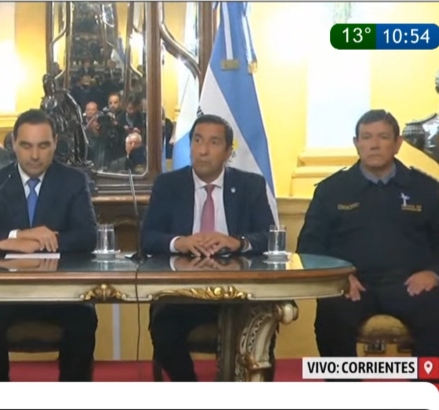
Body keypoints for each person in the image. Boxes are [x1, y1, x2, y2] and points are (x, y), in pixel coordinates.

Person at [0, 108, 98, 381]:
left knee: (83, 320)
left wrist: (40, 242)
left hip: (61, 294)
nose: (34, 155)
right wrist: (16, 237)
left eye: (43, 146)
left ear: (55, 143)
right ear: (13, 144)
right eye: (26, 146)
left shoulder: (72, 181)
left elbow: (87, 236)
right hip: (5, 293)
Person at [141, 114, 275, 381]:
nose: (203, 150)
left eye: (214, 143)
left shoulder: (250, 185)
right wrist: (180, 242)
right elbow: (147, 237)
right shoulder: (168, 185)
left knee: (262, 326)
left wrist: (237, 242)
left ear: (228, 152)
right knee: (164, 328)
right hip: (181, 293)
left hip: (238, 294)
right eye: (197, 141)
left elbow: (270, 237)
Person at [297, 109, 439, 360]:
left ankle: (427, 384)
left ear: (398, 144)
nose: (374, 144)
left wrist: (433, 273)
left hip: (410, 284)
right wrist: (337, 277)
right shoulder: (332, 190)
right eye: (366, 137)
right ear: (356, 143)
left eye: (383, 137)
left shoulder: (426, 188)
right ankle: (344, 386)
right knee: (331, 317)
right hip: (351, 285)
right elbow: (310, 245)